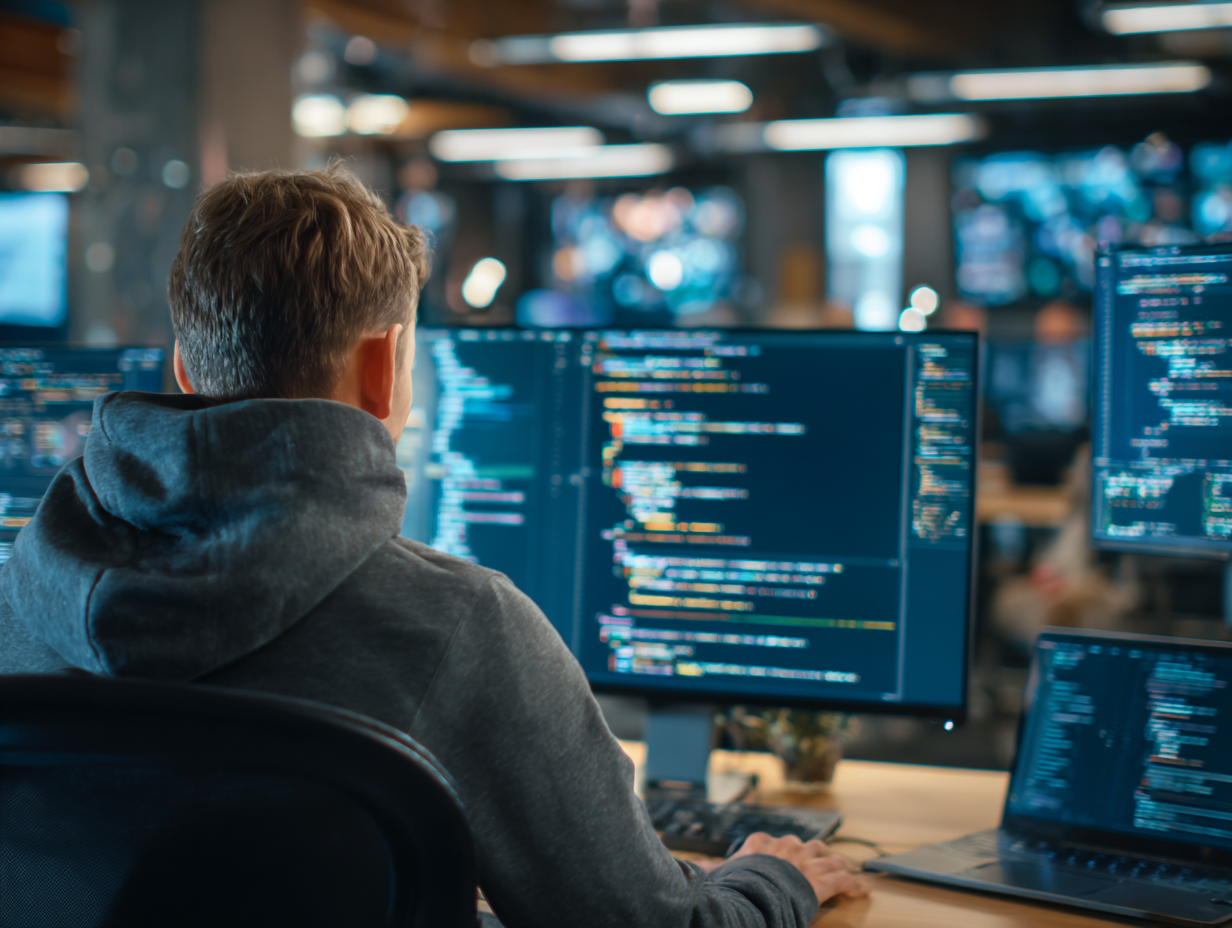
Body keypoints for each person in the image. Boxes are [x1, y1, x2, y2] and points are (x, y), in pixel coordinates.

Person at [0, 165, 868, 927]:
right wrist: (773, 879)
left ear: (186, 369)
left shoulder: (18, 593)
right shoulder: (461, 626)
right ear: (384, 369)